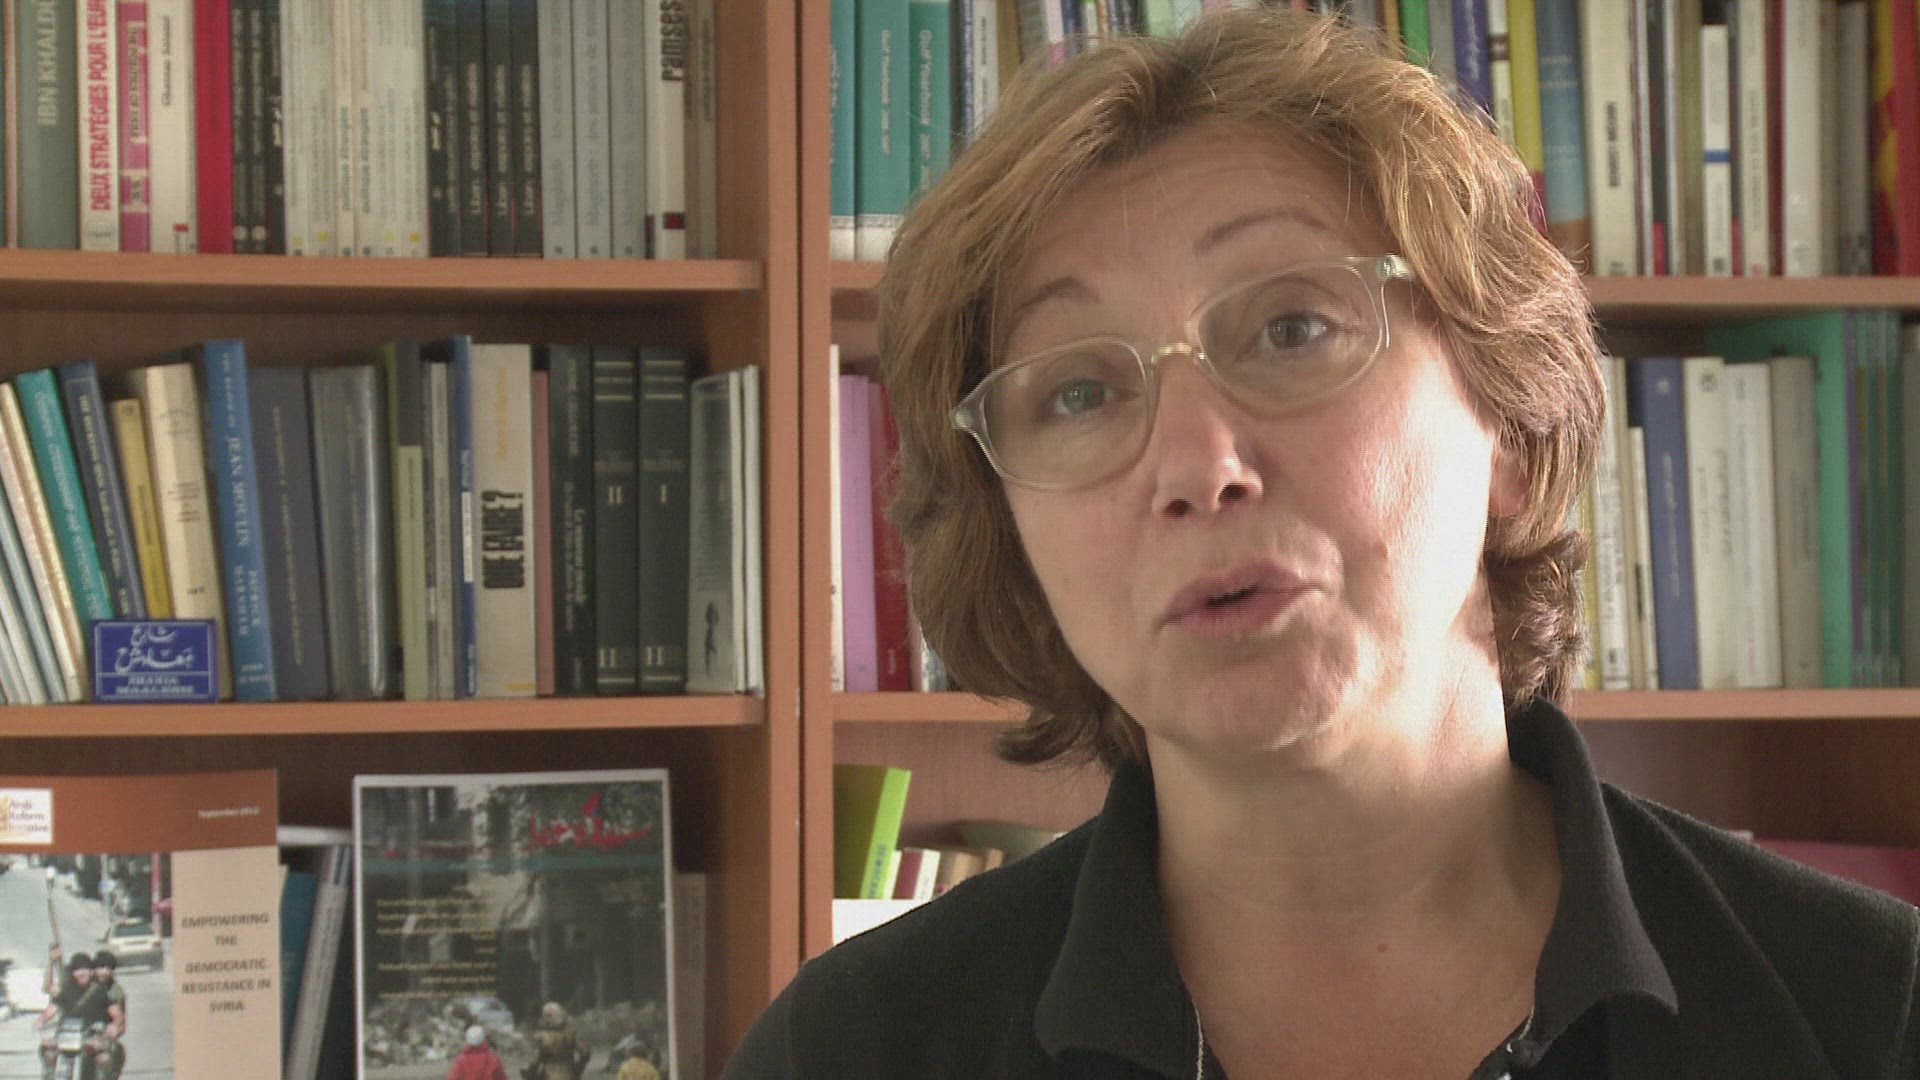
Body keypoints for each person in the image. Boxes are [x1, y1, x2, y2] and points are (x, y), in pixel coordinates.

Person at [725, 8, 1920, 1078]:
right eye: (1079, 393)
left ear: (1508, 420)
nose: (1197, 467)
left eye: (1292, 328)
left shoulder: (1871, 1015)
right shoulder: (850, 1051)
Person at [38, 952, 108, 1080]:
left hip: (92, 1033)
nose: (81, 973)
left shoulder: (100, 990)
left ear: (91, 971)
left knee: (103, 1058)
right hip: (67, 1033)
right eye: (77, 970)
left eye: (85, 969)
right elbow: (53, 1007)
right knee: (47, 1052)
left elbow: (111, 1012)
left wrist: (109, 1028)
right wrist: (42, 1020)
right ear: (73, 973)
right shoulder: (66, 989)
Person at [87, 951, 126, 1080]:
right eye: (100, 967)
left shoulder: (116, 992)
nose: (104, 972)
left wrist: (112, 1031)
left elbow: (122, 1025)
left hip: (102, 1038)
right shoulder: (84, 985)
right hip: (79, 1035)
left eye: (108, 968)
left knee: (108, 1058)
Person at [527, 1002, 589, 1080]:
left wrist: (531, 1074)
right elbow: (585, 1052)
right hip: (570, 1073)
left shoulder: (540, 1036)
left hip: (548, 1075)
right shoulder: (571, 1032)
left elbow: (534, 1061)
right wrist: (578, 1068)